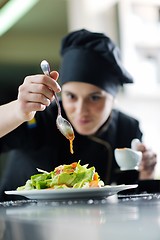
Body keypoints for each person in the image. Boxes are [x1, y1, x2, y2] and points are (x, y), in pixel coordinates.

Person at [0, 29, 157, 201]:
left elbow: (131, 201)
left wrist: (146, 174)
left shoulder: (127, 128)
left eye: (95, 97)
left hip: (90, 222)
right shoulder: (39, 115)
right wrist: (18, 110)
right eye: (71, 96)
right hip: (18, 221)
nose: (81, 109)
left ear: (113, 99)